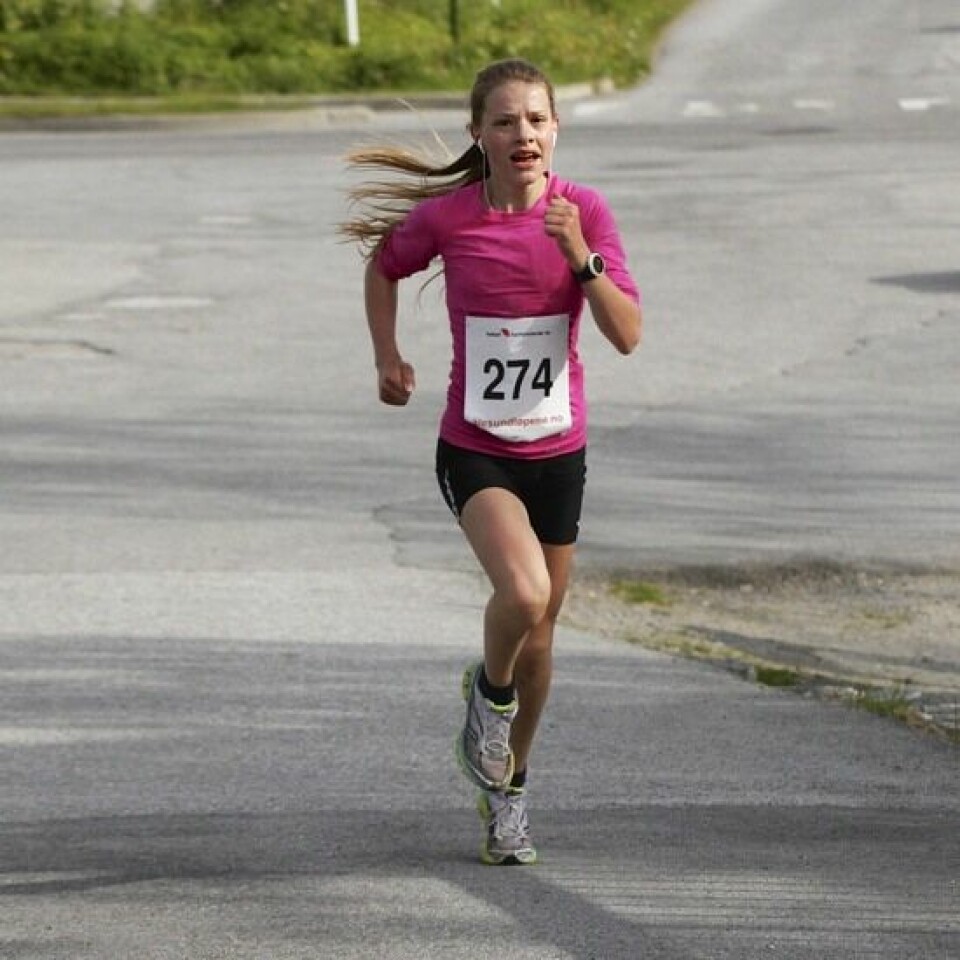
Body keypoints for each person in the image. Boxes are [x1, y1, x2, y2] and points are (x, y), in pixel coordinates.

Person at [341, 58, 641, 865]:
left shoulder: (585, 213)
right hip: (475, 450)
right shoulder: (449, 219)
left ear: (556, 131)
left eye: (537, 120)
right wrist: (386, 356)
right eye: (504, 121)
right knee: (525, 592)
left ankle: (508, 795)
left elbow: (628, 333)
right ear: (478, 133)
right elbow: (382, 265)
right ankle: (489, 695)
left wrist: (582, 255)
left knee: (542, 636)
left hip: (559, 452)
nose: (523, 135)